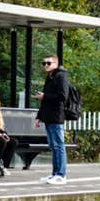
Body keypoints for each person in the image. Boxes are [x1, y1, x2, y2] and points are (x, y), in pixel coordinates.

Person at [34, 54, 68, 184]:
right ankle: (55, 173)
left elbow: (63, 96)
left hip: (56, 116)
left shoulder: (60, 77)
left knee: (59, 146)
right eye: (44, 63)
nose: (46, 65)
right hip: (48, 116)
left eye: (48, 63)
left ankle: (61, 175)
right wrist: (39, 116)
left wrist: (45, 96)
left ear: (56, 63)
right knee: (53, 147)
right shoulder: (50, 77)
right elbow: (45, 100)